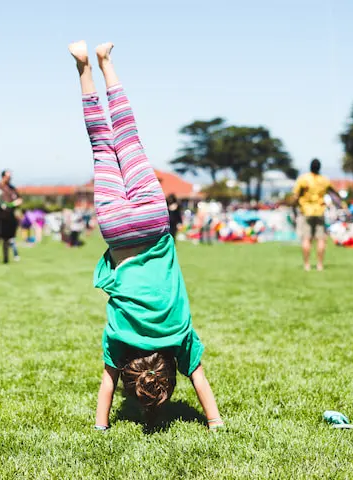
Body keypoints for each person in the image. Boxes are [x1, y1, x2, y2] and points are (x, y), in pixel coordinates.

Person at [69, 41, 222, 431]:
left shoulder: (180, 334)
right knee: (103, 147)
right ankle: (84, 66)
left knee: (127, 136)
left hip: (154, 220)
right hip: (117, 227)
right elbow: (107, 384)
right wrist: (101, 427)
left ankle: (106, 62)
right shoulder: (119, 338)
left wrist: (215, 420)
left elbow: (200, 379)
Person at [292, 158, 346, 271]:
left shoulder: (303, 179)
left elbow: (295, 196)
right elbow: (334, 193)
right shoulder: (324, 180)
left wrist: (294, 207)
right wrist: (342, 203)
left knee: (306, 239)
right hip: (320, 212)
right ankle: (319, 265)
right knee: (321, 239)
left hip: (306, 211)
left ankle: (307, 265)